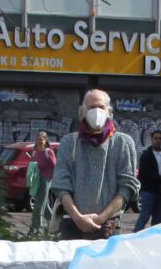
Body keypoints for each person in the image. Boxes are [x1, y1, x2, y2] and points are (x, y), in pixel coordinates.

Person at [51, 90, 140, 242]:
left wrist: (100, 219)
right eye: (91, 107)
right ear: (83, 111)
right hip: (72, 225)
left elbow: (127, 188)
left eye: (101, 107)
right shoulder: (68, 142)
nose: (96, 111)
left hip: (109, 226)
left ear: (109, 111)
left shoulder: (123, 143)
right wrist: (78, 218)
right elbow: (61, 185)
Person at [135, 128, 161, 230]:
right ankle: (136, 235)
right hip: (148, 191)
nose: (158, 140)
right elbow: (145, 174)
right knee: (144, 216)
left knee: (158, 218)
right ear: (152, 139)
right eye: (156, 138)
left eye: (160, 138)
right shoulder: (146, 155)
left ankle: (153, 236)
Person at [27, 131, 57, 237]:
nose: (40, 141)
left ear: (45, 140)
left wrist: (50, 177)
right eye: (38, 139)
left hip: (46, 180)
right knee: (44, 205)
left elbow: (55, 166)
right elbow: (32, 164)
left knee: (38, 205)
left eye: (42, 139)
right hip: (37, 180)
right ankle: (56, 226)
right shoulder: (35, 152)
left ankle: (36, 229)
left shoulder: (48, 152)